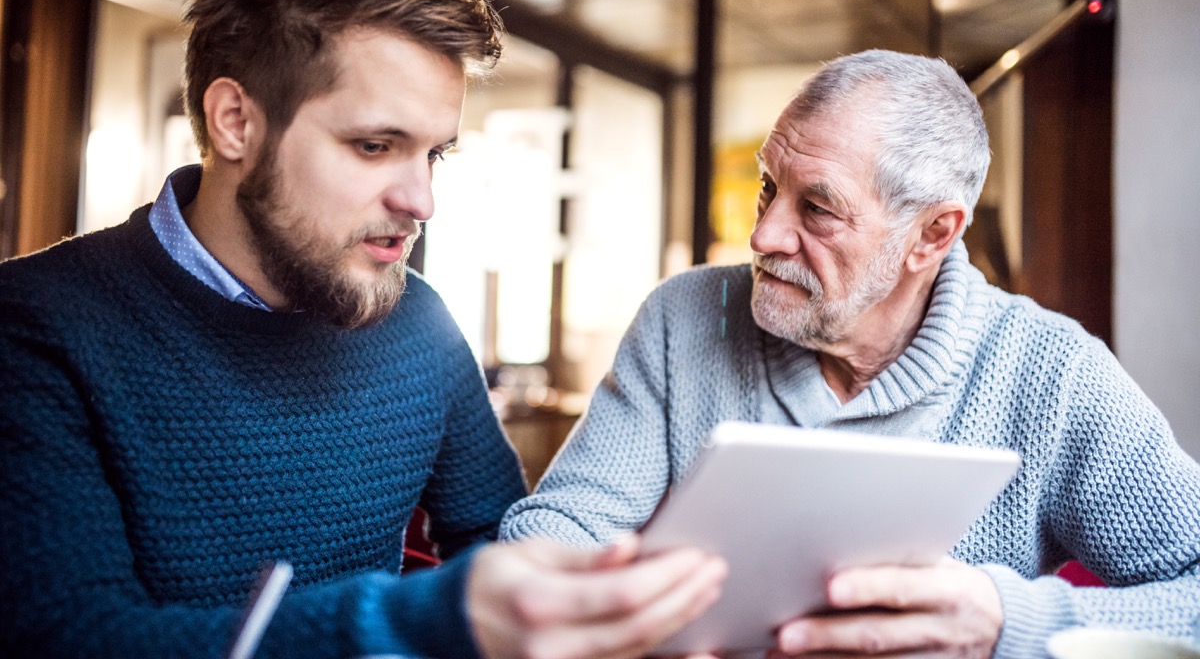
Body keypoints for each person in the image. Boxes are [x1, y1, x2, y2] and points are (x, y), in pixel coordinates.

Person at [0, 0, 725, 659]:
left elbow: (501, 544)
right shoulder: (34, 327)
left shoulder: (420, 323)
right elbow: (71, 638)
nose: (422, 202)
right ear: (235, 122)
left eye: (434, 154)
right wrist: (418, 623)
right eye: (376, 146)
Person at [501, 49, 1200, 658]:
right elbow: (559, 527)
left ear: (930, 236)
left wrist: (1007, 623)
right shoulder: (685, 317)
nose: (766, 234)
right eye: (769, 187)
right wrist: (604, 615)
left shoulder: (1052, 372)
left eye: (818, 209)